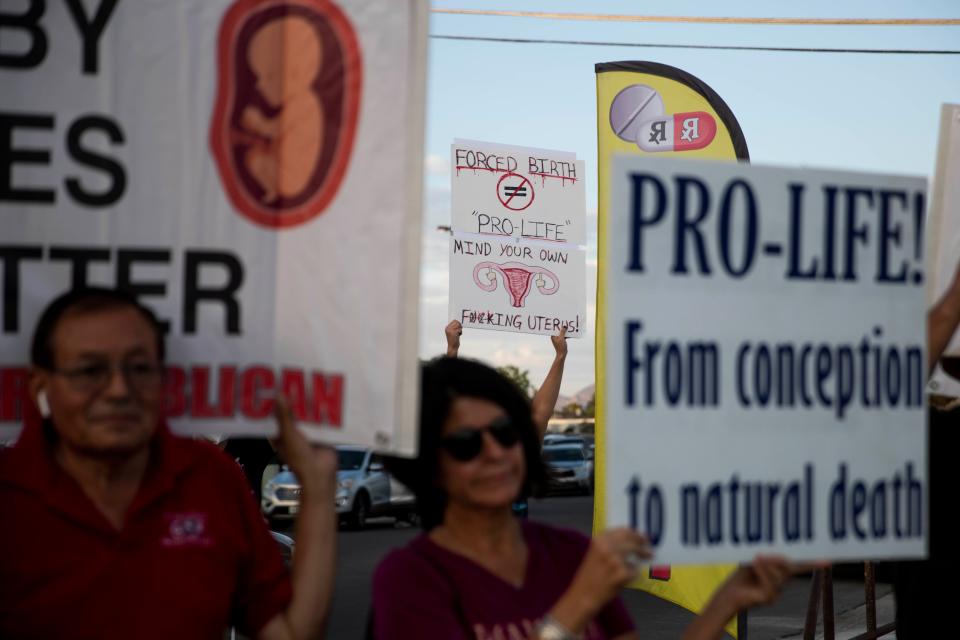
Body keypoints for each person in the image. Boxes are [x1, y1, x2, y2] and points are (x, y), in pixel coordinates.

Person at [372, 356, 807, 640]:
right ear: (427, 463)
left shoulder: (568, 553)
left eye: (506, 433)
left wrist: (728, 600)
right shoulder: (412, 579)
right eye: (466, 443)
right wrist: (579, 602)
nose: (496, 453)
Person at [0, 287, 337, 640]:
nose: (118, 390)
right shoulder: (10, 499)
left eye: (140, 368)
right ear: (41, 385)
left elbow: (290, 634)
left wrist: (317, 487)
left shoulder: (211, 479)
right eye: (89, 370)